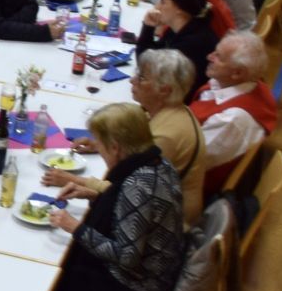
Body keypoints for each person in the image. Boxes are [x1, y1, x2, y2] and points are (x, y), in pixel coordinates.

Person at [45, 102, 186, 291]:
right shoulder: (159, 163)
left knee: (55, 282)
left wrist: (75, 228)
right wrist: (96, 195)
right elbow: (136, 211)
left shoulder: (138, 185)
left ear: (115, 147)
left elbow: (127, 256)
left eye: (99, 144)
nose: (98, 150)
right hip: (160, 275)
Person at [47, 47, 206, 227]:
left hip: (164, 227)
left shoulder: (166, 136)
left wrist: (75, 180)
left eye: (142, 78)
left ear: (164, 90)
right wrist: (100, 145)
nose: (132, 80)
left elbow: (132, 190)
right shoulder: (168, 110)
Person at [191, 31, 280, 191]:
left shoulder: (232, 119)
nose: (209, 56)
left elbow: (189, 161)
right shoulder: (243, 84)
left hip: (193, 187)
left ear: (238, 73)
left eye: (218, 57)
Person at [134, 0, 220, 95]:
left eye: (163, 1)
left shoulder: (191, 45)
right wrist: (148, 27)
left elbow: (147, 68)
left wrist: (147, 28)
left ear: (179, 8)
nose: (157, 6)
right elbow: (150, 57)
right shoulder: (182, 27)